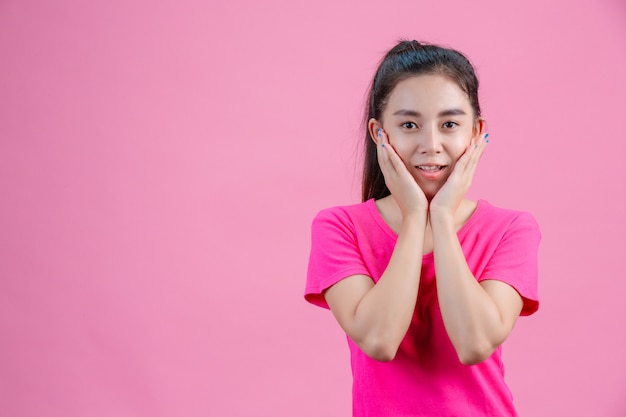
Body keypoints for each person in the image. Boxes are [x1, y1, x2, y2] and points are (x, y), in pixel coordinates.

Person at [304, 40, 540, 417]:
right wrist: (416, 217)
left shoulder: (511, 228)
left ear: (477, 132)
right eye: (409, 125)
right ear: (379, 133)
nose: (431, 145)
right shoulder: (339, 227)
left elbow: (474, 342)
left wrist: (442, 219)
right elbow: (379, 340)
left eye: (449, 124)